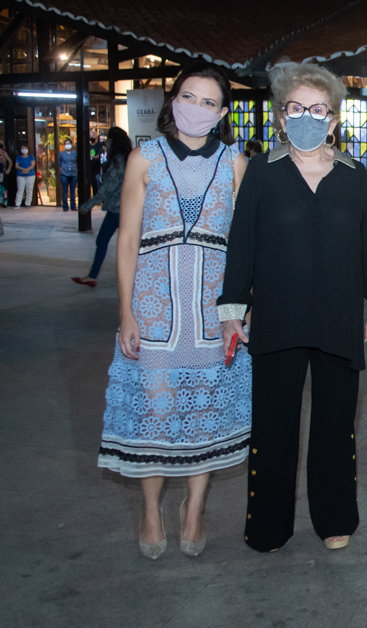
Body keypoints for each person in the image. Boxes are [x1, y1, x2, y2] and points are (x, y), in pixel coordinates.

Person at [219, 62, 367, 554]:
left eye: (318, 110)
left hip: (339, 317)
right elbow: (241, 245)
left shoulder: (355, 176)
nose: (307, 118)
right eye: (297, 109)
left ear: (334, 120)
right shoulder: (261, 173)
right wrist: (232, 308)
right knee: (274, 426)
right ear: (280, 118)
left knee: (336, 425)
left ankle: (334, 517)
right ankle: (268, 525)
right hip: (277, 316)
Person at [96, 63, 252, 560]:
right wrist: (126, 312)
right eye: (189, 97)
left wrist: (244, 308)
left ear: (223, 112)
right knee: (156, 412)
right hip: (153, 305)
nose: (197, 108)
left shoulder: (235, 162)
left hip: (214, 308)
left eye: (209, 102)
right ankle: (150, 509)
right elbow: (127, 241)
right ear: (172, 102)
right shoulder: (146, 157)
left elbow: (245, 245)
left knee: (204, 412)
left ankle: (194, 509)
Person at [73, 127, 131, 287]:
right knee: (111, 240)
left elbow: (108, 188)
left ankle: (93, 275)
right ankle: (93, 275)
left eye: (108, 139)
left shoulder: (118, 160)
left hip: (118, 208)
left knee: (105, 240)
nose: (106, 142)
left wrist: (88, 205)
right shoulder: (128, 158)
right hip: (124, 207)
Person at [58, 139, 78, 211]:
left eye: (69, 143)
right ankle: (65, 206)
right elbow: (59, 162)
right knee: (64, 190)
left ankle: (73, 206)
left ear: (71, 144)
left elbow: (78, 162)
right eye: (66, 144)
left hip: (74, 174)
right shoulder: (61, 153)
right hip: (64, 174)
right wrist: (64, 167)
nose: (67, 145)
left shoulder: (75, 153)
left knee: (73, 190)